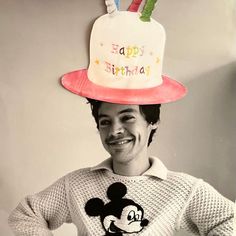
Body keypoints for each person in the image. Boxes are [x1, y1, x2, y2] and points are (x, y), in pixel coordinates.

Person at [8, 0, 234, 235]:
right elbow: (26, 214)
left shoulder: (185, 190)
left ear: (152, 122)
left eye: (127, 118)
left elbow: (230, 222)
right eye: (105, 121)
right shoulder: (75, 185)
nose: (114, 130)